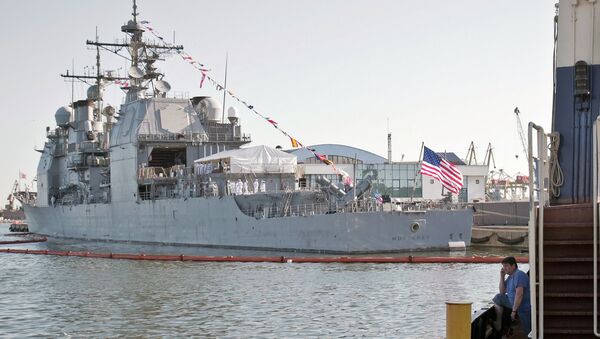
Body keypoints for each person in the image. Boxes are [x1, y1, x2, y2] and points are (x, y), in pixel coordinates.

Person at [493, 256, 531, 336]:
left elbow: (519, 294)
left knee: (528, 331)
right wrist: (502, 276)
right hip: (513, 303)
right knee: (498, 297)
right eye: (503, 266)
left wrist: (513, 311)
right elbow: (502, 292)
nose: (504, 268)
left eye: (506, 265)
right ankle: (499, 323)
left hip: (524, 307)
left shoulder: (519, 274)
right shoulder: (510, 277)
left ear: (513, 266)